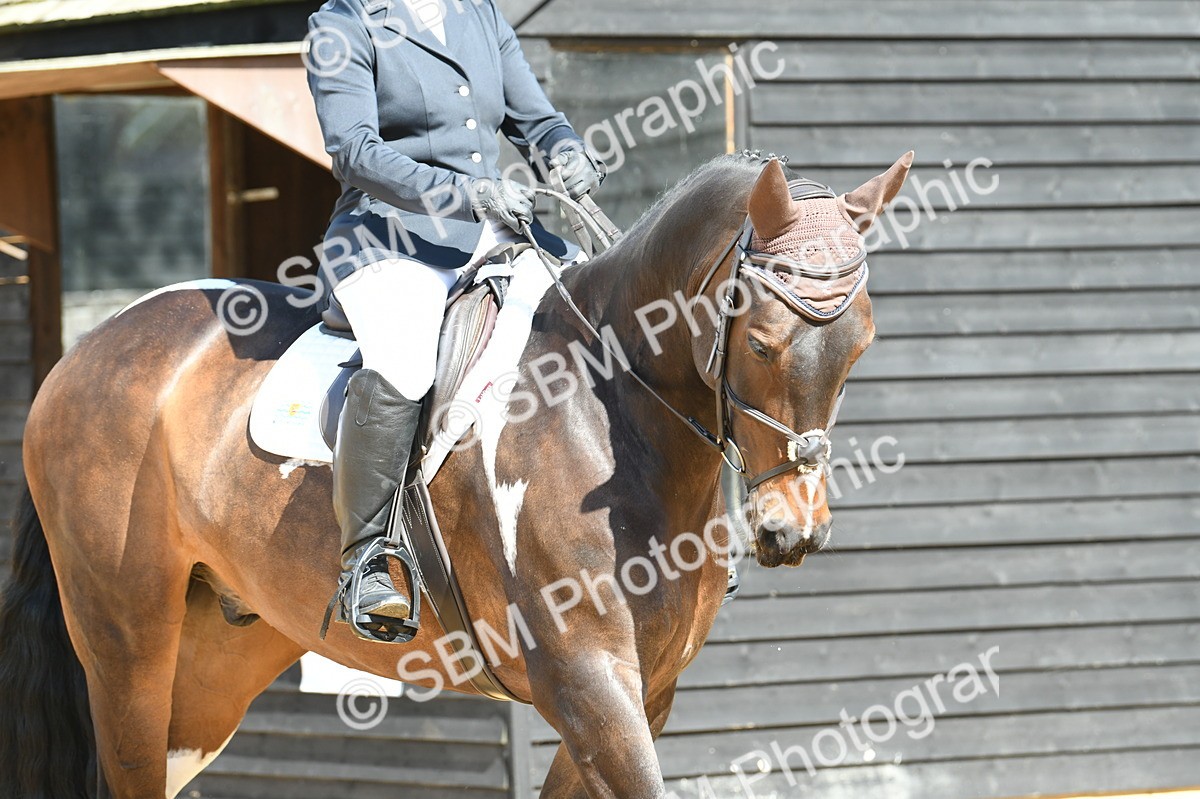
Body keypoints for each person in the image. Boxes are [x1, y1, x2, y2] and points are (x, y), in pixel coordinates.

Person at [305, 0, 604, 630]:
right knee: (407, 362)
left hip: (495, 231)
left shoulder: (480, 13)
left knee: (600, 307)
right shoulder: (342, 24)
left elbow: (536, 119)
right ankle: (367, 561)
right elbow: (353, 152)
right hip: (389, 236)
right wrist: (465, 194)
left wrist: (565, 148)